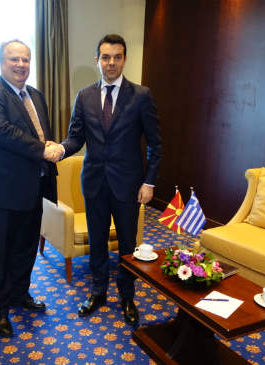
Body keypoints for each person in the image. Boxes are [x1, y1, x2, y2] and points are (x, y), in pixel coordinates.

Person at [60, 34, 162, 325]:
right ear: (97, 60)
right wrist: (61, 149)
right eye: (106, 57)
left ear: (125, 59)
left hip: (128, 185)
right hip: (93, 183)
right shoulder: (85, 96)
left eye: (117, 57)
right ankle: (98, 291)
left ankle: (127, 295)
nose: (112, 62)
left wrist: (149, 182)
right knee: (98, 241)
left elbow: (156, 143)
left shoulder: (141, 96)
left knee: (128, 244)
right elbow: (75, 137)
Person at [0, 39, 63, 337]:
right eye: (14, 59)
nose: (21, 65)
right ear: (2, 62)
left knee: (25, 248)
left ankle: (19, 294)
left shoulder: (35, 95)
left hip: (34, 187)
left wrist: (49, 148)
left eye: (25, 59)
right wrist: (43, 150)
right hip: (1, 190)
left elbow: (41, 133)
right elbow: (3, 132)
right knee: (0, 252)